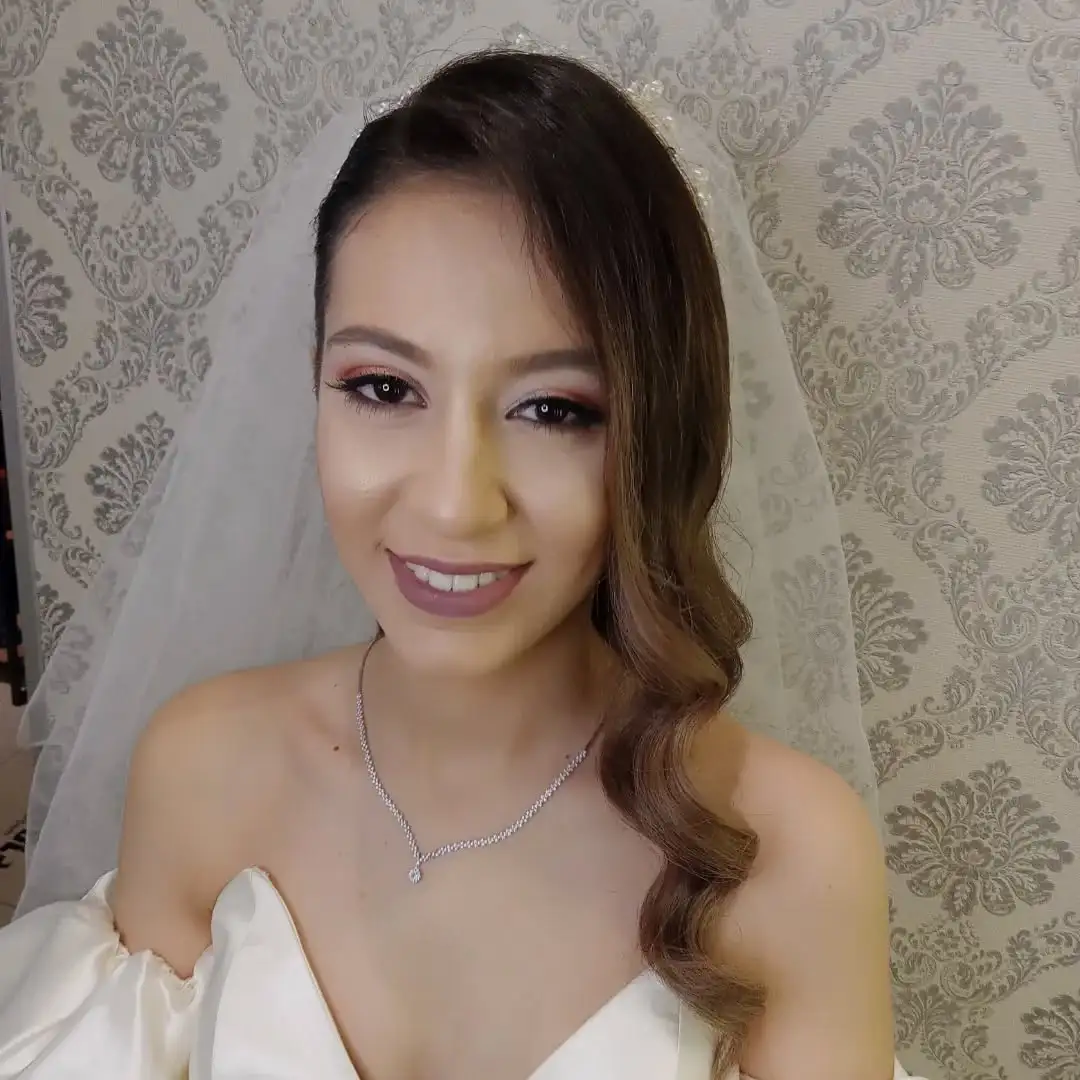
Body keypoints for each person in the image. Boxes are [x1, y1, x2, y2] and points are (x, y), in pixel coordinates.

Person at [0, 44, 928, 1080]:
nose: (454, 502)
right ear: (314, 384)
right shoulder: (203, 769)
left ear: (659, 434)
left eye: (553, 409)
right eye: (384, 389)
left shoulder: (782, 850)